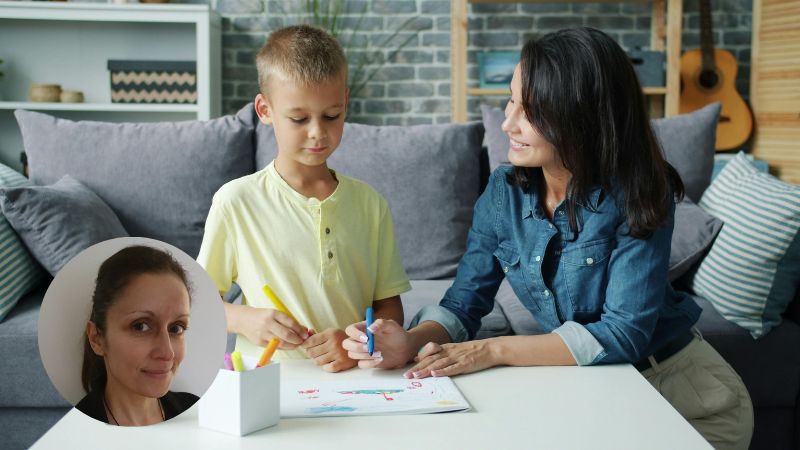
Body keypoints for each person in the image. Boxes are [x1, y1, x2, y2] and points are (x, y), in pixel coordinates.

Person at [344, 27, 753, 449]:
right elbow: (464, 303)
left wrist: (492, 350)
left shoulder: (638, 192)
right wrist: (410, 341)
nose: (507, 122)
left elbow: (624, 333)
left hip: (686, 397)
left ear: (584, 116)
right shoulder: (504, 192)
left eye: (532, 110)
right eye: (511, 100)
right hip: (598, 390)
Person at [197, 24, 410, 372]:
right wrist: (244, 319)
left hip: (352, 380)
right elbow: (195, 303)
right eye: (298, 118)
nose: (318, 132)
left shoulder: (371, 205)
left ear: (346, 103)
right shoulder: (236, 201)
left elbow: (388, 305)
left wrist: (355, 341)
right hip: (266, 385)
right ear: (265, 111)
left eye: (332, 115)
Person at [78, 245, 198, 426]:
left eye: (176, 328)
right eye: (141, 326)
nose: (167, 353)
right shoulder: (73, 433)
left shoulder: (198, 412)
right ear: (97, 338)